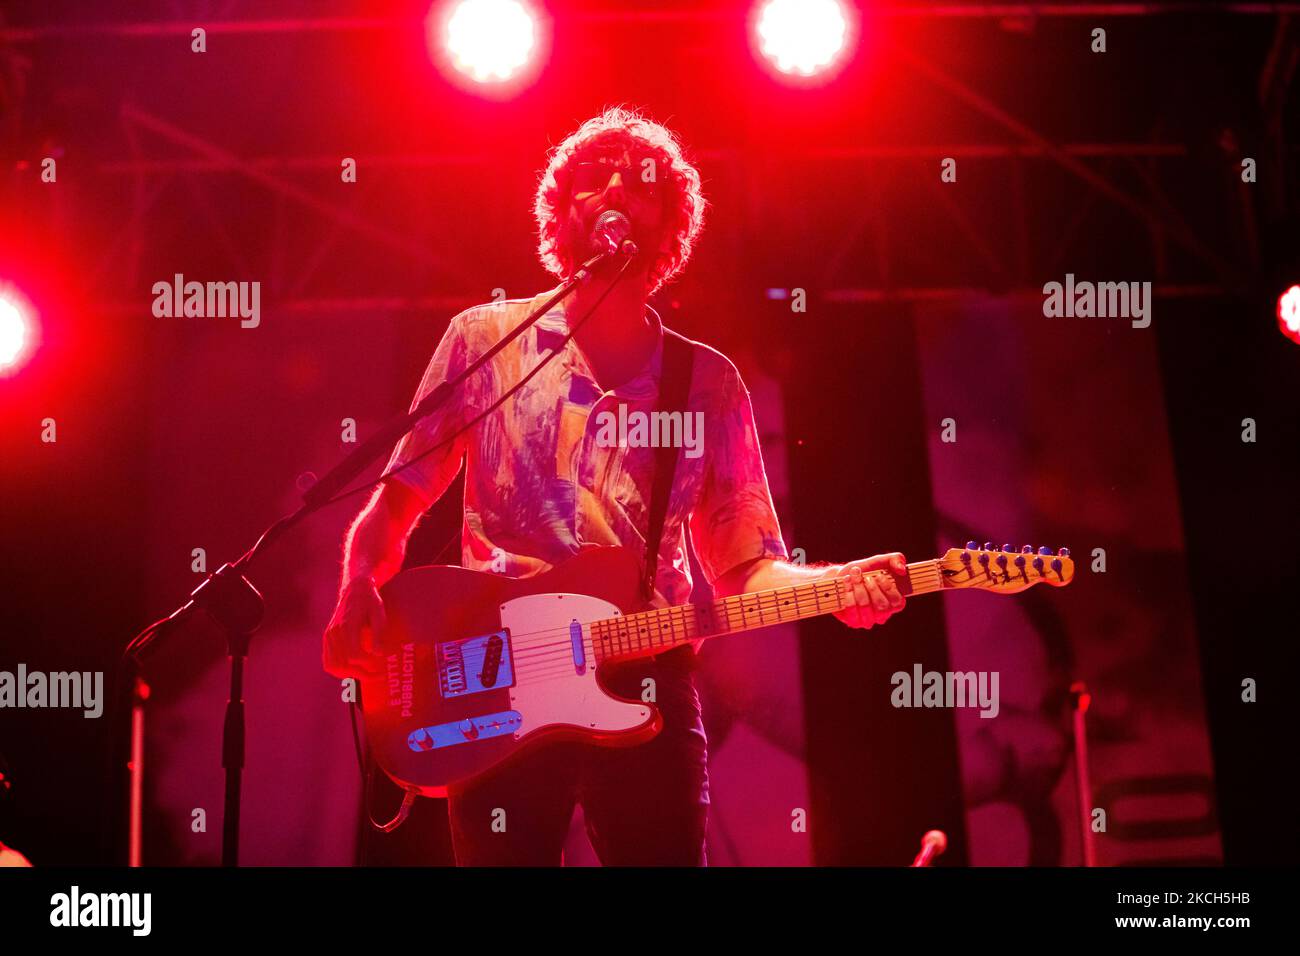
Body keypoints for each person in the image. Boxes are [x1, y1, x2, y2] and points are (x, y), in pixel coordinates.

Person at [323, 106, 906, 865]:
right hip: (494, 680)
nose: (615, 192)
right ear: (561, 212)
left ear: (669, 225)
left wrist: (834, 586)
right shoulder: (483, 343)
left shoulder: (707, 385)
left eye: (642, 184)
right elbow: (396, 500)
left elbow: (745, 566)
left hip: (647, 681)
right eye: (592, 180)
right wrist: (359, 580)